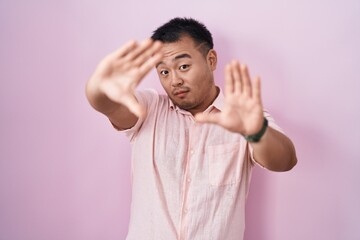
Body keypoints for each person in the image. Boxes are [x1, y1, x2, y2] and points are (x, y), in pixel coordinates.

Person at [86, 17, 297, 240]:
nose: (174, 80)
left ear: (211, 60)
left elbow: (285, 160)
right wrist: (97, 88)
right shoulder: (148, 109)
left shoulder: (244, 118)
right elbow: (107, 103)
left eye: (183, 66)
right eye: (164, 72)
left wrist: (256, 132)